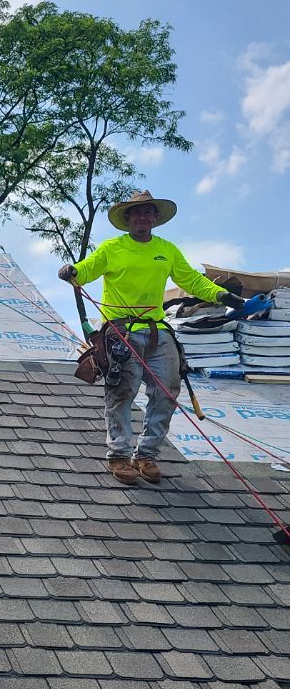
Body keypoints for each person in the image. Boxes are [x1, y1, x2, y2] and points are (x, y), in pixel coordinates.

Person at [58, 190, 244, 486]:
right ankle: (119, 456)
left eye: (148, 212)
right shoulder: (112, 248)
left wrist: (221, 294)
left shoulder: (166, 250)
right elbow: (87, 269)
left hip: (156, 330)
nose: (143, 217)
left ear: (155, 218)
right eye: (137, 213)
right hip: (121, 331)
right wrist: (72, 270)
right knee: (122, 390)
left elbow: (191, 280)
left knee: (168, 389)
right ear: (128, 218)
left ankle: (146, 455)